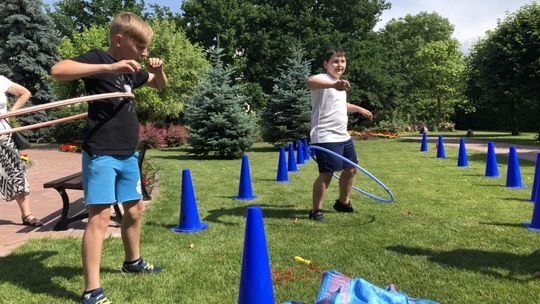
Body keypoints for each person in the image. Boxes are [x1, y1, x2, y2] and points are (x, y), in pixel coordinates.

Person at [50, 12, 167, 304]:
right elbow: (58, 70)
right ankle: (92, 291)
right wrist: (109, 67)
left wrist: (160, 69)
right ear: (119, 40)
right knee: (100, 218)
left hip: (127, 153)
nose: (145, 53)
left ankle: (133, 261)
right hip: (101, 153)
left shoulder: (132, 69)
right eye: (141, 47)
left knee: (136, 209)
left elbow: (159, 85)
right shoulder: (99, 59)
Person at [306, 49, 373, 221]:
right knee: (327, 173)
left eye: (342, 61)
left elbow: (340, 104)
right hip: (325, 135)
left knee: (351, 169)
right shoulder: (323, 79)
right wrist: (333, 85)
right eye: (335, 61)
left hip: (343, 135)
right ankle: (316, 211)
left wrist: (358, 108)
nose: (340, 65)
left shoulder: (340, 84)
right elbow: (309, 82)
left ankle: (343, 203)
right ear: (326, 64)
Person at [0, 75, 43, 227]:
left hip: (4, 136)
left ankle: (27, 214)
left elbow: (25, 93)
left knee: (17, 172)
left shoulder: (0, 80)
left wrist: (11, 112)